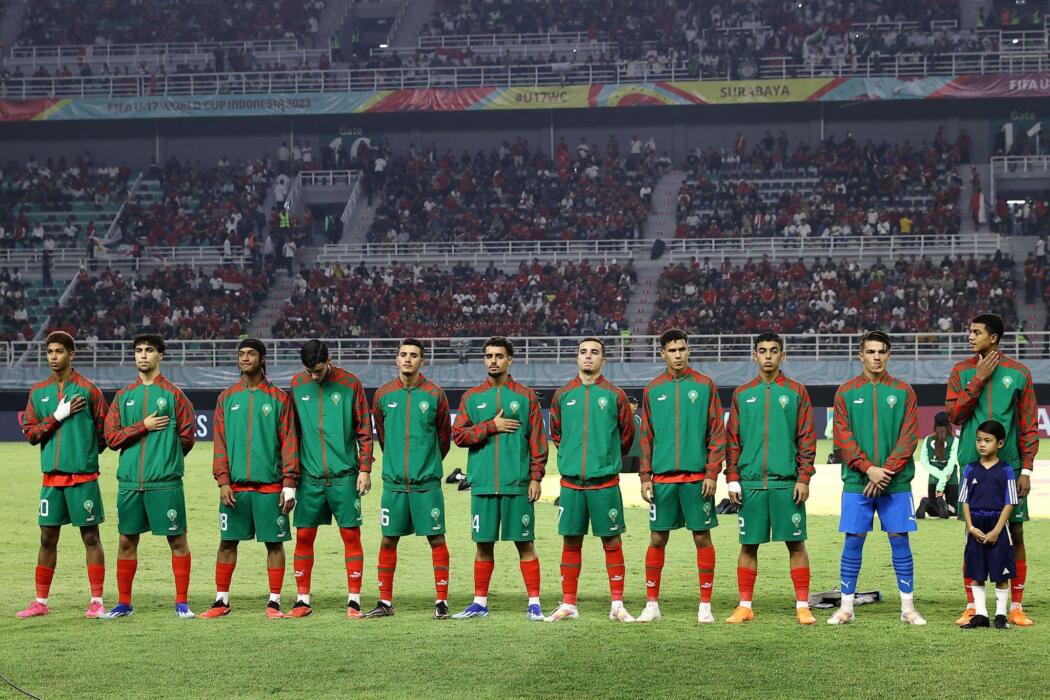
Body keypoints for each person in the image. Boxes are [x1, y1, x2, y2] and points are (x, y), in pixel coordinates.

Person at [946, 312, 1038, 626]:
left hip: (1009, 467)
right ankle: (974, 607)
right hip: (972, 467)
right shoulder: (961, 371)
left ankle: (1016, 606)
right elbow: (955, 416)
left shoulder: (1019, 373)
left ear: (994, 337)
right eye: (969, 332)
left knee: (1016, 532)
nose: (970, 337)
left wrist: (1025, 469)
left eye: (976, 332)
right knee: (973, 535)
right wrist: (978, 379)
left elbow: (1028, 425)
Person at [829, 330, 925, 625]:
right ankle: (846, 608)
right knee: (854, 540)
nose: (877, 357)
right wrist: (868, 468)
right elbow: (842, 439)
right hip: (858, 481)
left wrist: (883, 472)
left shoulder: (903, 391)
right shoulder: (845, 392)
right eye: (871, 352)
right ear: (861, 355)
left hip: (894, 482)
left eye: (882, 351)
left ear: (889, 355)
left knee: (899, 539)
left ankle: (907, 608)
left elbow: (909, 438)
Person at [200, 339, 299, 619]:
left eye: (251, 354)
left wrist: (289, 483)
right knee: (227, 542)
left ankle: (275, 602)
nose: (245, 358)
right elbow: (219, 443)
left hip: (270, 487)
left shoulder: (279, 398)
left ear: (263, 359)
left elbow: (290, 442)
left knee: (274, 543)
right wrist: (223, 481)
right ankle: (221, 600)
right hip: (236, 488)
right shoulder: (227, 397)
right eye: (241, 354)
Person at [450, 337, 548, 621]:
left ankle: (534, 603)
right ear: (484, 360)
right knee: (483, 544)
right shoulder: (472, 397)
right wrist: (490, 426)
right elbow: (458, 435)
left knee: (525, 543)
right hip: (481, 485)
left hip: (517, 484)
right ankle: (479, 603)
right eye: (489, 356)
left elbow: (538, 442)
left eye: (499, 356)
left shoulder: (526, 396)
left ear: (510, 360)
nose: (494, 360)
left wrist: (536, 477)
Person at [724, 332, 817, 625]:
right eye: (762, 350)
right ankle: (745, 605)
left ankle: (802, 605)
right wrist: (732, 477)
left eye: (773, 351)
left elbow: (806, 438)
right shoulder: (741, 394)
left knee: (796, 544)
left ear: (782, 356)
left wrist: (804, 477)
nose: (768, 356)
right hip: (750, 484)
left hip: (786, 483)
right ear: (754, 355)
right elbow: (732, 441)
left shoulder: (796, 391)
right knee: (748, 545)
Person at [102, 334, 196, 618]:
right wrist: (142, 426)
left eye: (149, 351)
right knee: (126, 542)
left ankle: (182, 603)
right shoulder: (123, 396)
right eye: (138, 351)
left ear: (161, 356)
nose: (143, 355)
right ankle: (124, 603)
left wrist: (165, 458)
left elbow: (187, 437)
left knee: (177, 541)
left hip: (165, 484)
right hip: (130, 483)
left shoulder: (174, 395)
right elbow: (110, 438)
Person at [634, 328, 724, 624]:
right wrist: (645, 476)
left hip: (698, 478)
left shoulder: (705, 385)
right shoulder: (652, 388)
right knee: (657, 538)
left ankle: (705, 605)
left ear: (689, 351)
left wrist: (712, 472)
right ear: (663, 353)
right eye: (672, 350)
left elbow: (716, 433)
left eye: (682, 349)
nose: (678, 354)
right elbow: (646, 436)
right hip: (662, 480)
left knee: (702, 538)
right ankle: (651, 604)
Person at [17, 331, 109, 619]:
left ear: (72, 354)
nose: (53, 357)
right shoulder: (38, 392)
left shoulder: (89, 390)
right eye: (50, 352)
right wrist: (58, 416)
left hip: (82, 478)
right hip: (51, 480)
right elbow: (31, 434)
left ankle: (96, 600)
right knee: (47, 538)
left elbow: (105, 433)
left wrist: (84, 454)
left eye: (59, 351)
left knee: (91, 536)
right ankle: (40, 602)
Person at [546, 338, 635, 623]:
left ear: (603, 360)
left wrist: (603, 457)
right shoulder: (562, 395)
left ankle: (617, 605)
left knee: (612, 541)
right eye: (583, 352)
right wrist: (573, 457)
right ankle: (569, 604)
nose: (588, 357)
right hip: (571, 484)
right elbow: (557, 435)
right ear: (577, 358)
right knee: (571, 542)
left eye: (594, 352)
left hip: (604, 483)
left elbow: (627, 436)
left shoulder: (615, 395)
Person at [364, 339, 452, 619]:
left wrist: (427, 463)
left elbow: (443, 439)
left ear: (422, 361)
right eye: (403, 355)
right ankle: (385, 602)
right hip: (394, 485)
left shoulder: (435, 394)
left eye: (414, 355)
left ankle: (441, 601)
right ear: (396, 359)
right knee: (388, 540)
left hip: (427, 485)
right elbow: (384, 436)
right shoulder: (382, 395)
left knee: (436, 539)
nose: (408, 359)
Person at [287, 340, 374, 618]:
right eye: (310, 371)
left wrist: (365, 469)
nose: (314, 376)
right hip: (310, 478)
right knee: (303, 536)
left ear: (329, 360)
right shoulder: (297, 385)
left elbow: (364, 429)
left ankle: (354, 601)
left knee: (351, 536)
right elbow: (292, 433)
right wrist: (290, 479)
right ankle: (302, 600)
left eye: (319, 370)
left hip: (344, 476)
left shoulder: (351, 383)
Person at [959, 420, 1019, 630]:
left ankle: (1001, 615)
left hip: (997, 525)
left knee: (1001, 573)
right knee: (976, 571)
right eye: (978, 440)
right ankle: (981, 615)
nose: (982, 444)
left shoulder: (1006, 470)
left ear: (1000, 443)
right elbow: (964, 500)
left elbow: (1010, 502)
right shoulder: (970, 469)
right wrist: (970, 527)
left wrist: (996, 530)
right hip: (975, 524)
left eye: (987, 440)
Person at [917, 411, 960, 519]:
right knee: (953, 511)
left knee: (933, 510)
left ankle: (926, 502)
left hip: (933, 478)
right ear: (949, 424)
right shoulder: (954, 441)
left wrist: (939, 477)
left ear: (935, 424)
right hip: (951, 478)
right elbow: (951, 463)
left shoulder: (927, 439)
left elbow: (924, 462)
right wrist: (943, 480)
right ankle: (942, 503)